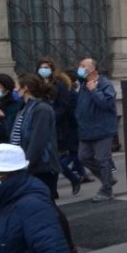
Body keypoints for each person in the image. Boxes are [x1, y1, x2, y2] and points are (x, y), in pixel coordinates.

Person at [38, 58, 86, 195]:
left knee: (55, 159)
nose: (43, 70)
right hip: (45, 127)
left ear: (52, 70)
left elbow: (64, 106)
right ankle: (60, 186)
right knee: (52, 160)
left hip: (61, 128)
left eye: (46, 67)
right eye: (41, 67)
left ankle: (69, 180)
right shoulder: (38, 85)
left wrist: (51, 116)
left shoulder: (59, 86)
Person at [9, 74, 61, 200]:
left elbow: (37, 141)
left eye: (17, 87)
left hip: (41, 167)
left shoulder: (41, 109)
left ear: (25, 88)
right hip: (30, 166)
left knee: (45, 205)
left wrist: (26, 165)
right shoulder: (25, 108)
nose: (15, 90)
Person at [73, 58, 117, 203]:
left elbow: (107, 104)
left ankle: (106, 190)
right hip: (86, 130)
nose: (80, 68)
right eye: (80, 65)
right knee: (83, 157)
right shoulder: (82, 84)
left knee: (102, 159)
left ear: (93, 69)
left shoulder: (104, 84)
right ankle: (108, 179)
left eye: (83, 65)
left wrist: (94, 90)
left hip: (102, 129)